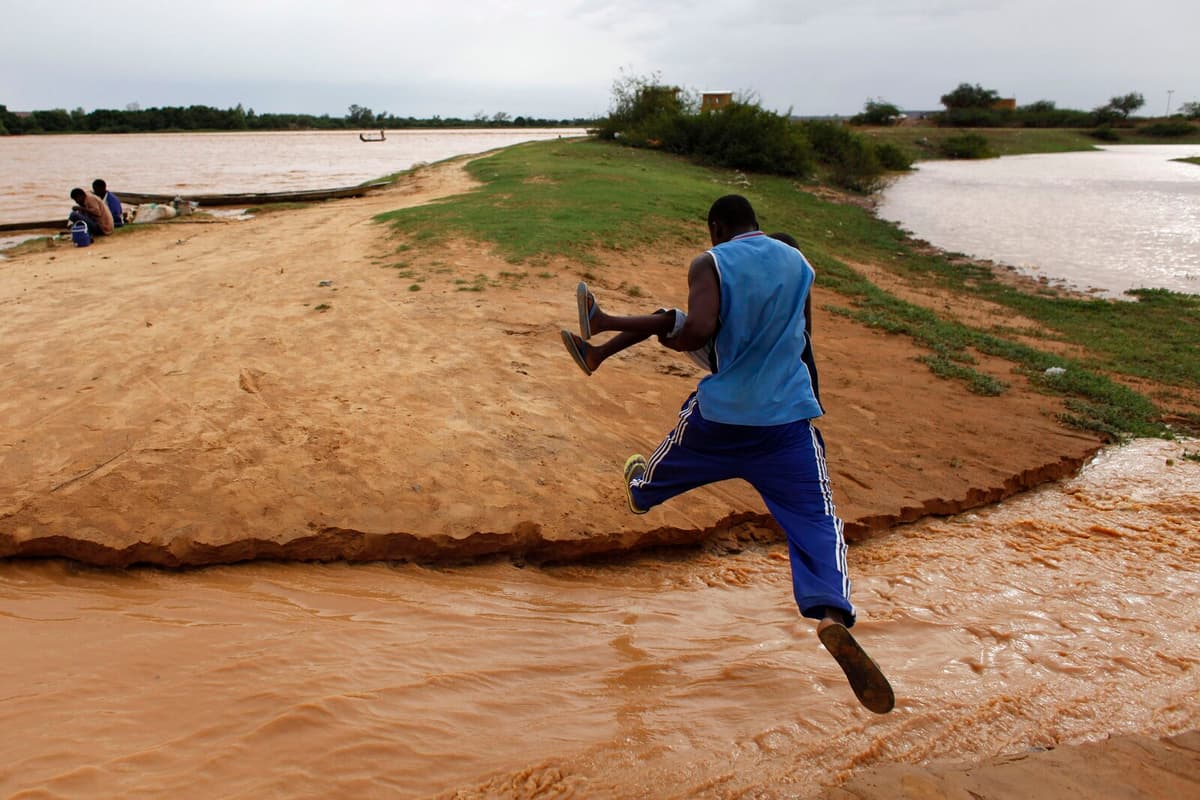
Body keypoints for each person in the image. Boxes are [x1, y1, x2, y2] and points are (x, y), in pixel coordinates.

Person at [562, 195, 892, 714]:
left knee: (662, 466)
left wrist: (678, 338)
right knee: (816, 522)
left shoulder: (711, 262)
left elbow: (698, 330)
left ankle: (641, 492)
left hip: (722, 417)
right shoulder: (799, 263)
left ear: (717, 227)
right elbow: (803, 334)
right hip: (786, 423)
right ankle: (831, 615)